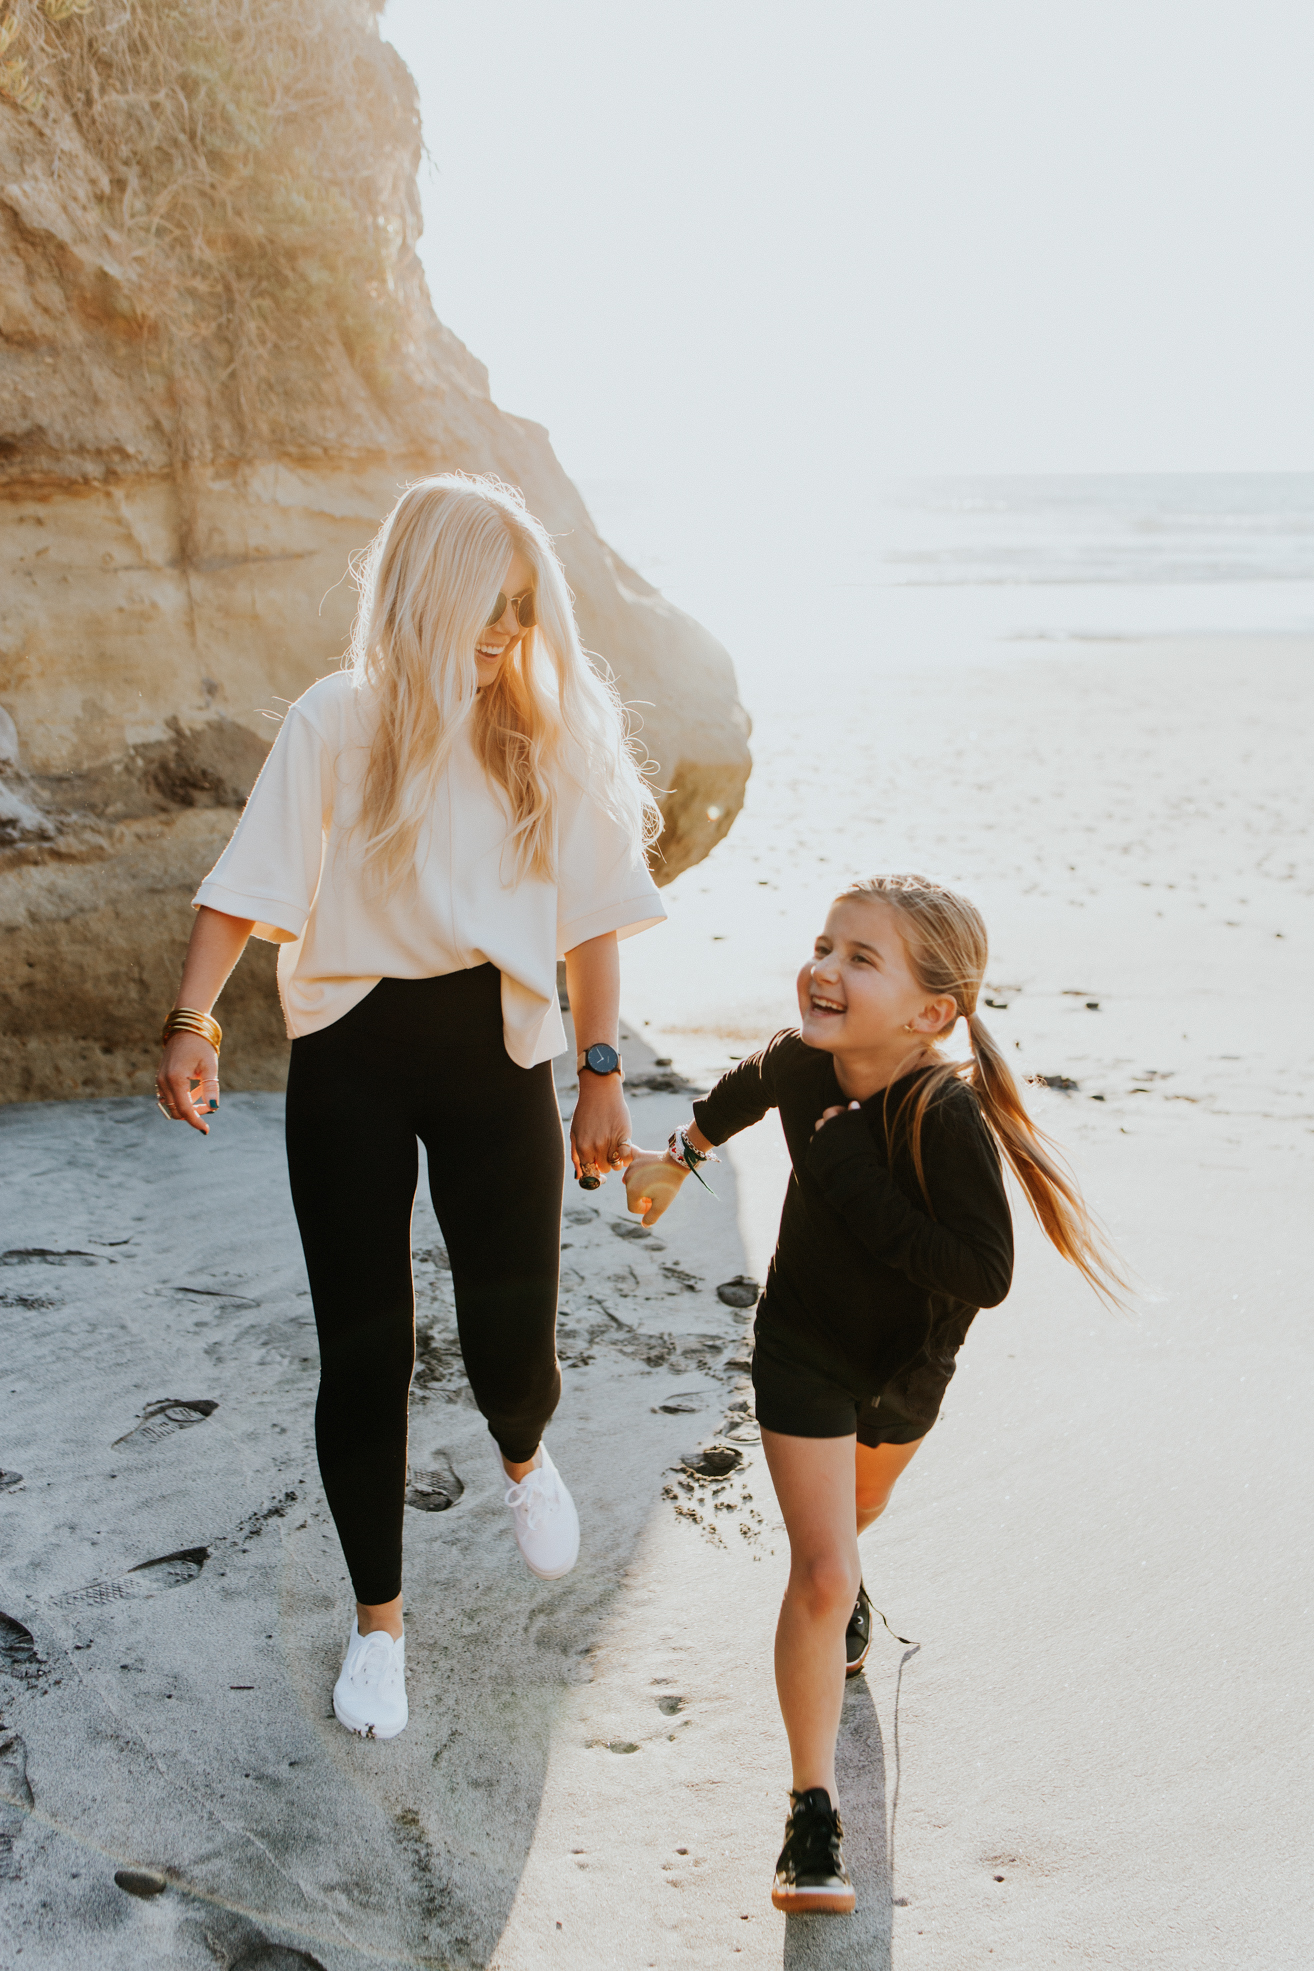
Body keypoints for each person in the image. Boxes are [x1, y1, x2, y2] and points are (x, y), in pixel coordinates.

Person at [155, 474, 664, 1741]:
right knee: (365, 1347)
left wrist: (600, 1072)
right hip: (353, 1056)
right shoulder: (339, 720)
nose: (503, 631)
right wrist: (193, 1019)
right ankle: (379, 1626)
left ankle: (522, 1452)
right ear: (424, 592)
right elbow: (248, 881)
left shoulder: (545, 730)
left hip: (499, 1058)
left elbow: (596, 917)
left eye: (522, 607)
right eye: (485, 605)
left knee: (513, 1348)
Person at [624, 873, 1125, 1915]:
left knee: (853, 1523)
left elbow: (984, 1275)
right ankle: (813, 1814)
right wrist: (680, 1157)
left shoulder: (945, 1116)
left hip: (905, 1372)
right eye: (824, 944)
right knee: (816, 1574)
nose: (825, 969)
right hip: (801, 1345)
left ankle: (851, 1579)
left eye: (861, 958)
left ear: (932, 1012)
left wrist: (847, 1166)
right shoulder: (807, 1064)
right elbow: (747, 1083)